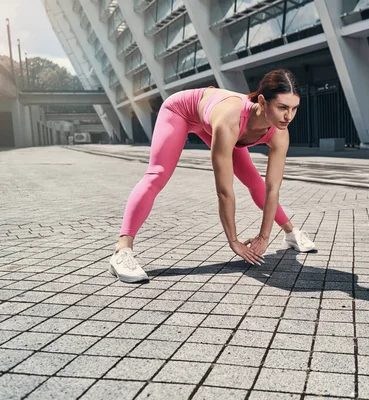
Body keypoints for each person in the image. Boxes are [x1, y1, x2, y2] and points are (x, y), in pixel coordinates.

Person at [109, 69, 316, 283]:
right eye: (282, 107)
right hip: (181, 111)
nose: (288, 116)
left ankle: (291, 233)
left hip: (212, 117)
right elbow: (224, 191)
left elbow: (272, 189)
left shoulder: (280, 133)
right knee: (157, 175)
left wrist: (264, 237)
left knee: (256, 182)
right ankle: (122, 251)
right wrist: (233, 241)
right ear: (262, 102)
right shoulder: (230, 120)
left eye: (294, 108)